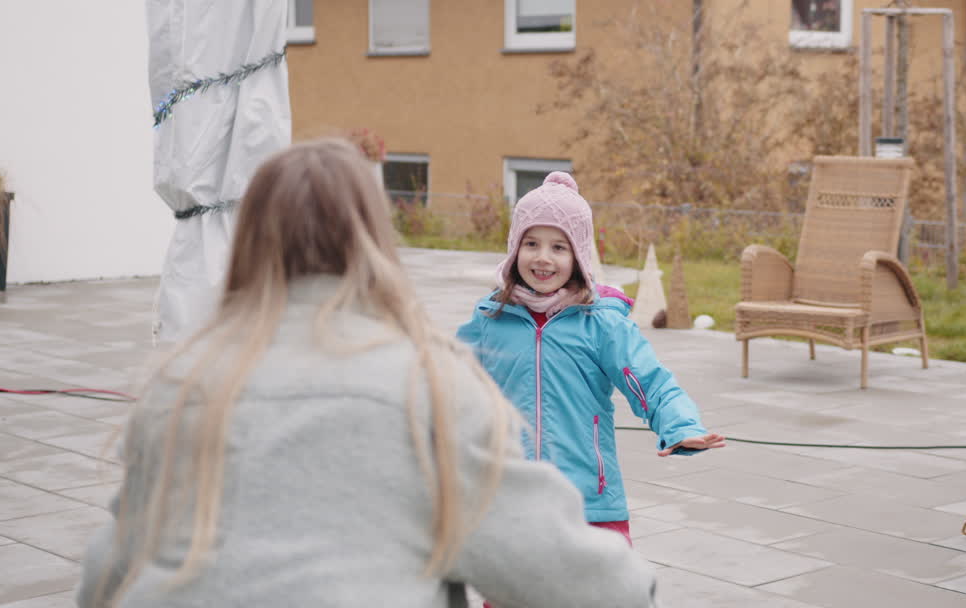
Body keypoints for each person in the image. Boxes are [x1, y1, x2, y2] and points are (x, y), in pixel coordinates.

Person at [77, 140, 657, 608]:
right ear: (374, 243)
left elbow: (107, 575)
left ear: (249, 243)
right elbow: (560, 569)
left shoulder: (180, 384)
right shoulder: (429, 385)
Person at [457, 172, 724, 546]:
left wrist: (681, 427)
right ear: (515, 248)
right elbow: (447, 384)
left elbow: (651, 381)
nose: (542, 258)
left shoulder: (601, 324)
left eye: (558, 247)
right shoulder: (489, 320)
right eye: (531, 243)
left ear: (579, 256)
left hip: (587, 500)